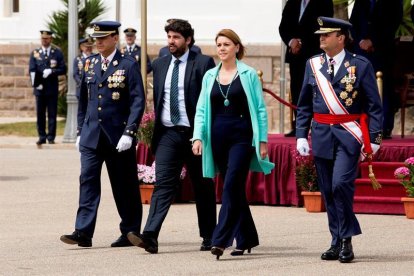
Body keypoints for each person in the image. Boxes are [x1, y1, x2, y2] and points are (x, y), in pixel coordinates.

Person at [296, 17, 383, 263]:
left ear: (341, 37)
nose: (321, 38)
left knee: (340, 185)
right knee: (327, 191)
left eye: (327, 34)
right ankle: (336, 240)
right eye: (320, 35)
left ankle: (346, 239)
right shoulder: (312, 65)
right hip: (322, 134)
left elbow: (375, 107)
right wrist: (301, 134)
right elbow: (303, 104)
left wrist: (374, 138)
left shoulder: (361, 65)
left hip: (348, 134)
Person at [127, 19, 217, 254]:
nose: (171, 42)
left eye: (176, 38)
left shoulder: (203, 63)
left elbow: (210, 100)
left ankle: (209, 235)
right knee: (164, 183)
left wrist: (205, 133)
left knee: (202, 185)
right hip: (168, 133)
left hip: (195, 135)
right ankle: (150, 236)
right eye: (169, 37)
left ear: (187, 40)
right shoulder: (159, 64)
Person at [60, 21, 145, 248]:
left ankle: (130, 231)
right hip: (91, 135)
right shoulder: (89, 64)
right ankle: (83, 232)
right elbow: (84, 101)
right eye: (95, 38)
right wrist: (80, 130)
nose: (97, 42)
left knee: (123, 184)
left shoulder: (128, 65)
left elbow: (138, 101)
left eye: (102, 38)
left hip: (118, 137)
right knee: (87, 180)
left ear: (114, 38)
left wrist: (129, 132)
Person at [192, 29, 275, 260]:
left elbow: (259, 109)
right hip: (217, 138)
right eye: (218, 44)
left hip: (242, 137)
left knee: (230, 186)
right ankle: (247, 238)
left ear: (237, 47)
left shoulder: (248, 74)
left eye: (226, 44)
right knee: (235, 190)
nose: (221, 48)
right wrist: (198, 137)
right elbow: (201, 110)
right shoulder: (209, 76)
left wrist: (262, 141)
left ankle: (220, 239)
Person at [279, 0, 333, 137]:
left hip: (314, 54)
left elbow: (324, 27)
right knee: (297, 89)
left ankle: (318, 126)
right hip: (295, 55)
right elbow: (283, 26)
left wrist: (301, 42)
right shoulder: (292, 2)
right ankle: (300, 126)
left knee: (316, 90)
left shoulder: (324, 3)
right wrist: (292, 41)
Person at [349, 0, 403, 139]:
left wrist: (373, 41)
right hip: (360, 51)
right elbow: (353, 21)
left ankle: (383, 127)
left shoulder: (394, 2)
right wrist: (360, 40)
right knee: (360, 89)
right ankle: (362, 125)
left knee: (383, 89)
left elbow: (393, 23)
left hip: (382, 51)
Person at [29, 30, 67, 145]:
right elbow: (32, 70)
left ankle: (51, 137)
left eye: (47, 38)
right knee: (40, 114)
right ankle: (41, 136)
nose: (44, 40)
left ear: (51, 39)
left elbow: (63, 69)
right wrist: (35, 84)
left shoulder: (57, 53)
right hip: (40, 89)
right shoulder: (35, 53)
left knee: (52, 114)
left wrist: (52, 71)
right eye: (43, 38)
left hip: (51, 88)